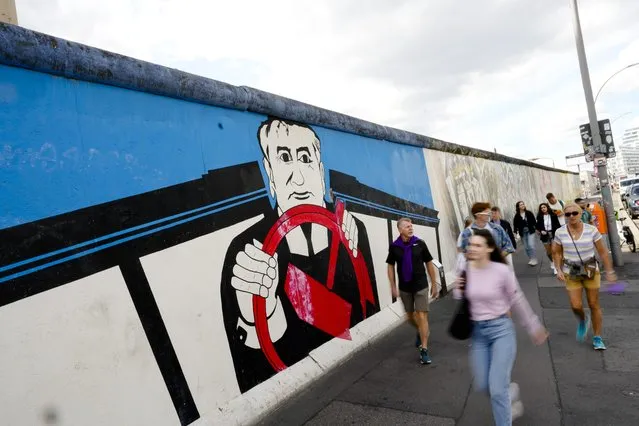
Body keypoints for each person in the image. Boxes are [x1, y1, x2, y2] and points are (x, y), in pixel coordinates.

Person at [221, 117, 379, 392]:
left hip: (357, 380)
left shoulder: (351, 231)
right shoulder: (247, 250)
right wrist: (257, 317)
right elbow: (251, 378)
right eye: (284, 158)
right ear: (269, 173)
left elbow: (368, 313)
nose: (298, 177)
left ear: (320, 169)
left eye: (305, 158)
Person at [454, 229, 548, 425]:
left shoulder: (501, 271)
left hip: (500, 331)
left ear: (489, 248)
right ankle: (510, 393)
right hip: (478, 335)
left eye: (478, 245)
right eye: (470, 244)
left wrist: (533, 326)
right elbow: (460, 298)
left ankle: (504, 410)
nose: (472, 248)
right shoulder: (466, 270)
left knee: (497, 388)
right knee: (483, 385)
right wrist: (459, 287)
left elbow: (517, 298)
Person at [552, 203, 617, 350]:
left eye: (574, 213)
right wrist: (558, 269)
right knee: (576, 305)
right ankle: (582, 319)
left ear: (581, 213)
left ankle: (597, 337)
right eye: (567, 214)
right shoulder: (560, 232)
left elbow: (602, 252)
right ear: (564, 216)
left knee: (593, 304)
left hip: (590, 271)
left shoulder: (591, 230)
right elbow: (556, 252)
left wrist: (610, 271)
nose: (571, 216)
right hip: (571, 271)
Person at [387, 217, 439, 365]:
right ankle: (420, 330)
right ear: (400, 229)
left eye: (411, 226)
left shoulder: (420, 243)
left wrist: (434, 283)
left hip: (421, 285)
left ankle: (424, 349)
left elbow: (429, 262)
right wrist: (392, 285)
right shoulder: (394, 247)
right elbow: (390, 266)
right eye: (407, 226)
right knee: (410, 316)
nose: (411, 228)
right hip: (405, 287)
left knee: (422, 315)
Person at [458, 202, 516, 268]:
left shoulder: (497, 228)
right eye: (487, 213)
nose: (489, 215)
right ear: (478, 215)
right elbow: (464, 253)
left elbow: (508, 247)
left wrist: (497, 258)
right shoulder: (467, 233)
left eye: (489, 213)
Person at [536, 203, 561, 275]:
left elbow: (557, 224)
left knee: (554, 251)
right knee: (549, 252)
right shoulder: (540, 216)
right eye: (541, 208)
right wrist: (541, 231)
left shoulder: (553, 215)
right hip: (545, 236)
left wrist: (557, 232)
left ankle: (556, 267)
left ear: (547, 207)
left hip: (553, 234)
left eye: (544, 207)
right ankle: (552, 261)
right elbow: (537, 226)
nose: (543, 208)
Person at [513, 201, 538, 266]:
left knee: (530, 245)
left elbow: (534, 222)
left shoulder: (529, 213)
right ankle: (531, 259)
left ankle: (534, 259)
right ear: (518, 207)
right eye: (521, 205)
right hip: (523, 233)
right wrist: (515, 232)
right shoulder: (517, 216)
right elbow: (515, 225)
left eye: (523, 204)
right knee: (526, 247)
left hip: (530, 231)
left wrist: (537, 229)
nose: (522, 205)